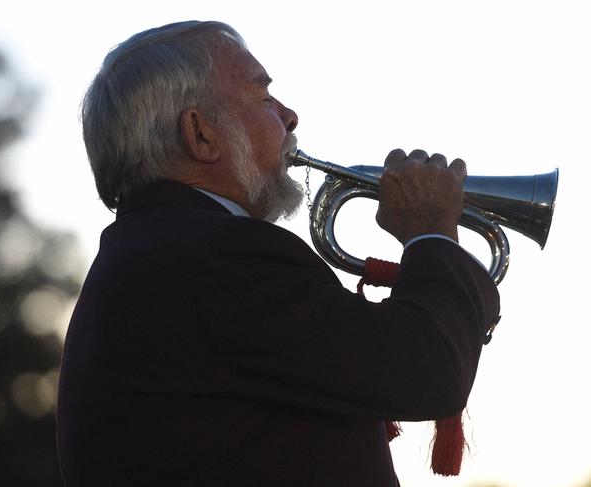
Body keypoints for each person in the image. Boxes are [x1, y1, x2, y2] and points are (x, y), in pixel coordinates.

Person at [56, 20, 500, 487]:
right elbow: (429, 370)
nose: (290, 116)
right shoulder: (216, 255)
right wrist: (430, 232)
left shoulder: (153, 252)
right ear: (200, 134)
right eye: (263, 98)